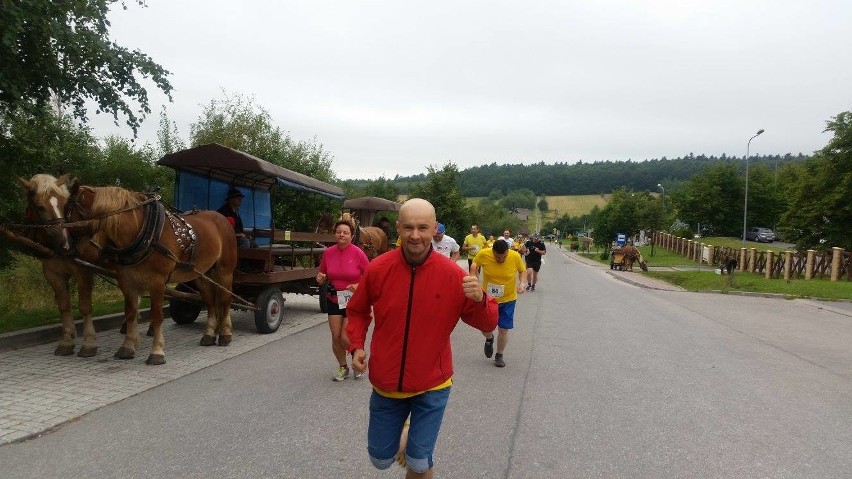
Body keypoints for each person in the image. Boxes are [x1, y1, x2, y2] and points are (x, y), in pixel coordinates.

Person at [346, 198, 498, 479]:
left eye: (423, 227)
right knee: (379, 459)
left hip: (432, 383)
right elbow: (356, 311)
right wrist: (356, 346)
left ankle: (417, 446)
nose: (415, 235)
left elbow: (488, 322)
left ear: (434, 229)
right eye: (408, 227)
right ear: (398, 228)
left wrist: (480, 299)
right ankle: (408, 434)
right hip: (387, 383)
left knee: (418, 462)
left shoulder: (453, 274)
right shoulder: (378, 269)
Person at [316, 220, 370, 381]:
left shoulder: (358, 253)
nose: (342, 234)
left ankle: (357, 357)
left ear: (352, 236)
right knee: (336, 336)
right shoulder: (328, 253)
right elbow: (322, 275)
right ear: (335, 234)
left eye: (345, 232)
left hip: (352, 300)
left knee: (346, 337)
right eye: (339, 231)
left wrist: (358, 285)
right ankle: (343, 367)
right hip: (333, 298)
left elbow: (370, 277)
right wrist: (320, 278)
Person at [471, 239, 526, 368]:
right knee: (485, 328)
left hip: (508, 299)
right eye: (497, 257)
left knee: (503, 328)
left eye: (504, 257)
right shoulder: (484, 254)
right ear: (493, 252)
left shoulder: (515, 256)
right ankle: (489, 338)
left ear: (507, 252)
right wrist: (473, 276)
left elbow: (522, 271)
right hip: (488, 299)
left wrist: (522, 283)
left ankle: (499, 355)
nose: (501, 259)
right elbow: (474, 265)